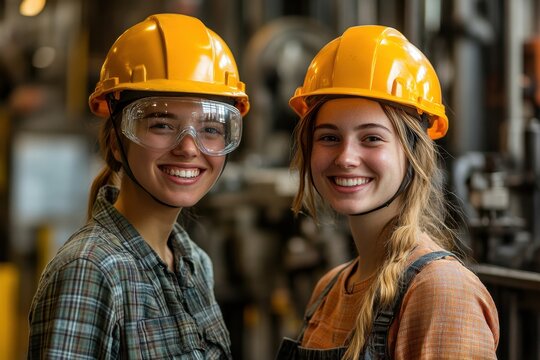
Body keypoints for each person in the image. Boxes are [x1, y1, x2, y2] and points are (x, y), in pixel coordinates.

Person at [27, 13, 249, 359]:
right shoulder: (89, 271)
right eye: (161, 125)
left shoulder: (194, 263)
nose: (189, 148)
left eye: (210, 128)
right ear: (116, 140)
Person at [276, 25, 499, 359]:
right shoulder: (330, 288)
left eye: (371, 138)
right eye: (329, 137)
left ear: (414, 153)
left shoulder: (441, 292)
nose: (346, 158)